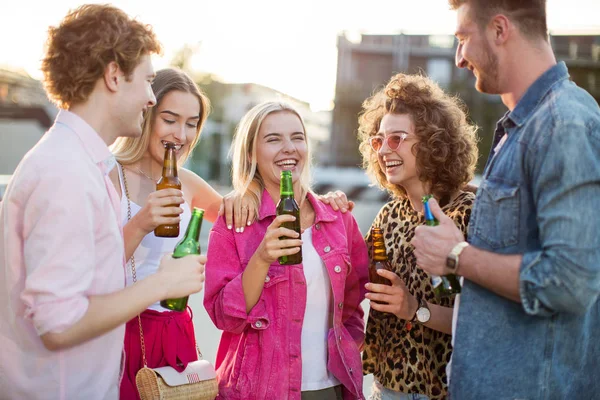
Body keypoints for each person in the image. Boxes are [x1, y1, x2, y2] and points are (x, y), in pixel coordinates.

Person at [0, 5, 205, 399]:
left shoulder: (86, 164)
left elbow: (92, 279)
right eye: (146, 81)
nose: (149, 98)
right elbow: (59, 326)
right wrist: (162, 283)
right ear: (114, 75)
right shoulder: (65, 172)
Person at [412, 1, 600, 398]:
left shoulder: (563, 124)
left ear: (500, 29)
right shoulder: (523, 127)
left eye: (463, 38)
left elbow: (570, 281)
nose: (459, 58)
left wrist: (456, 254)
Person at [203, 101, 369, 399]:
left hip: (330, 387)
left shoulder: (338, 219)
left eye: (297, 137)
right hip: (258, 390)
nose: (289, 147)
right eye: (273, 139)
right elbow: (224, 318)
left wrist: (349, 348)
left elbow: (354, 306)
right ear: (251, 153)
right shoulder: (235, 224)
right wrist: (262, 258)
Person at [358, 73, 478, 400]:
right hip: (388, 388)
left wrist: (413, 308)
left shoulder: (468, 213)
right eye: (378, 140)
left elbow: (482, 322)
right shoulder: (387, 217)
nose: (384, 150)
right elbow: (351, 283)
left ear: (432, 141)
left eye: (396, 138)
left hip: (447, 389)